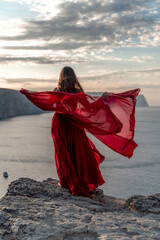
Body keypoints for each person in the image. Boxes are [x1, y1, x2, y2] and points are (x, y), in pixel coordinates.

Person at [20, 66, 140, 199]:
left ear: (60, 77)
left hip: (60, 124)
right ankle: (78, 182)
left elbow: (45, 103)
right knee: (79, 152)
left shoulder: (57, 91)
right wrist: (101, 99)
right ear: (74, 76)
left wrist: (28, 93)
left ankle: (67, 182)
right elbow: (88, 108)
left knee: (64, 153)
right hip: (72, 124)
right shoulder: (76, 92)